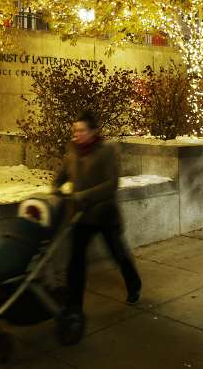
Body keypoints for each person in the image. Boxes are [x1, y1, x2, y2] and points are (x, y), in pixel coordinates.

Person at [53, 109, 142, 317]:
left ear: (93, 132)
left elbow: (112, 183)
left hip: (104, 214)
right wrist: (56, 188)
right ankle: (74, 306)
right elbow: (64, 174)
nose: (77, 134)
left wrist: (84, 195)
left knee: (117, 253)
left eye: (82, 130)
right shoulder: (73, 150)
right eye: (75, 130)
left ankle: (134, 284)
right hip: (81, 215)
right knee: (76, 260)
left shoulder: (107, 151)